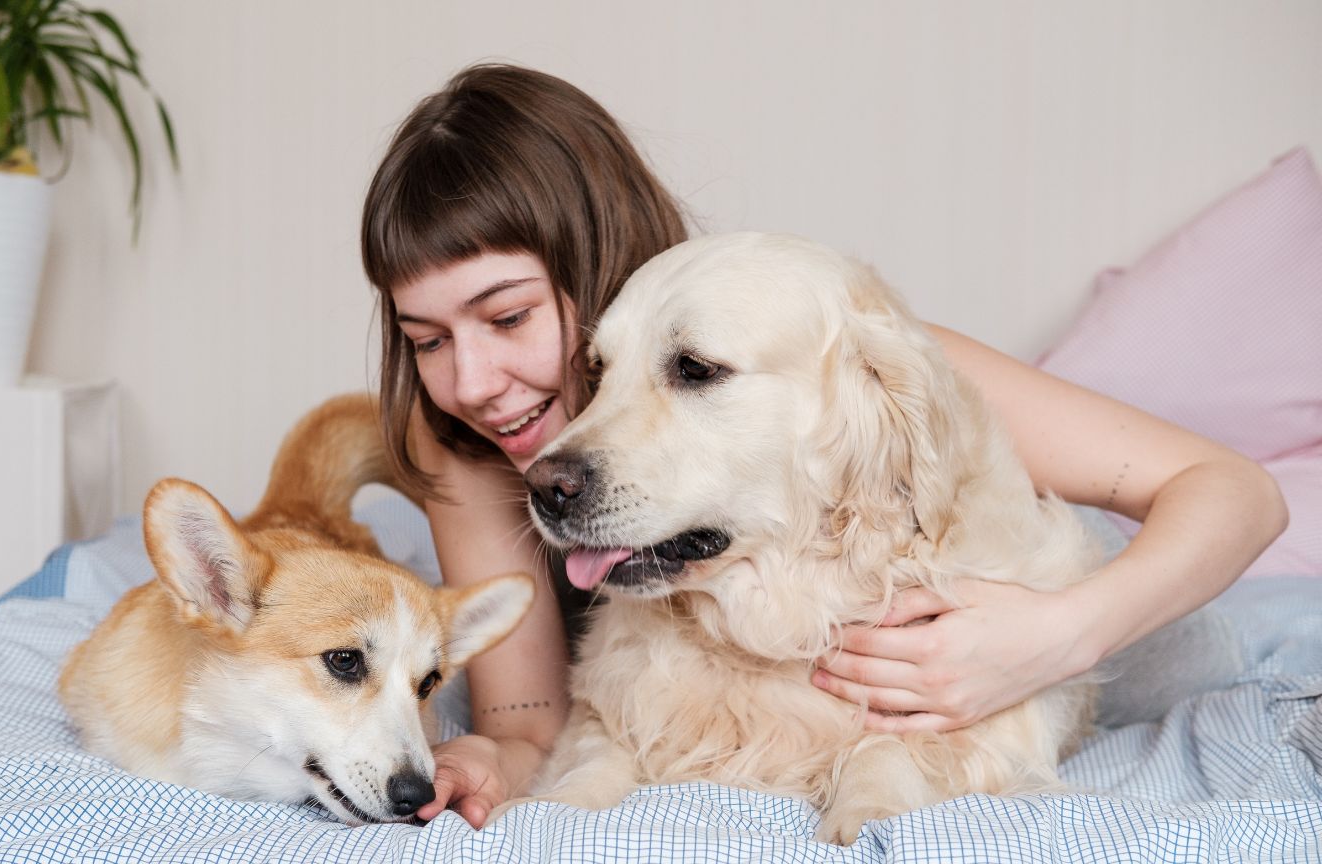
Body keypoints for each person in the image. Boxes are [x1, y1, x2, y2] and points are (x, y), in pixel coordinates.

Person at [358, 63, 1289, 829]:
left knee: (1197, 647)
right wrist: (486, 756)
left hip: (1046, 589)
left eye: (508, 316)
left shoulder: (850, 346)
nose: (470, 380)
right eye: (427, 339)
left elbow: (1232, 490)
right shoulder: (465, 442)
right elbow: (528, 720)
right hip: (691, 672)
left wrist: (1054, 637)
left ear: (598, 265)